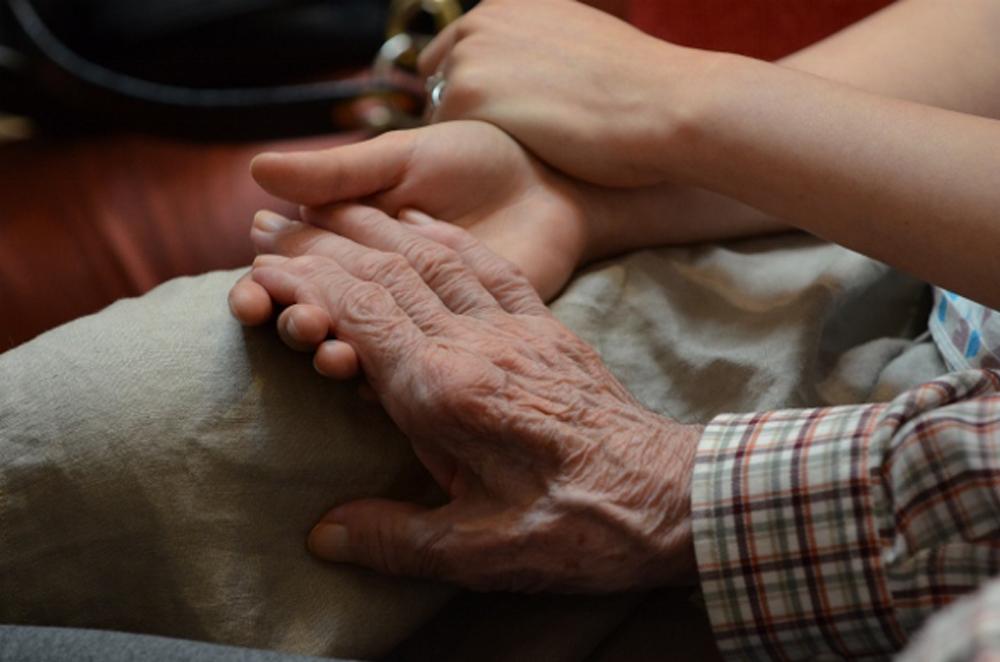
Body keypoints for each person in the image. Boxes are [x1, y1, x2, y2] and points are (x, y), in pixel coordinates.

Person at [223, 0, 1000, 659]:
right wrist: (594, 200)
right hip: (887, 246)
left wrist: (666, 98)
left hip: (917, 477)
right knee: (167, 409)